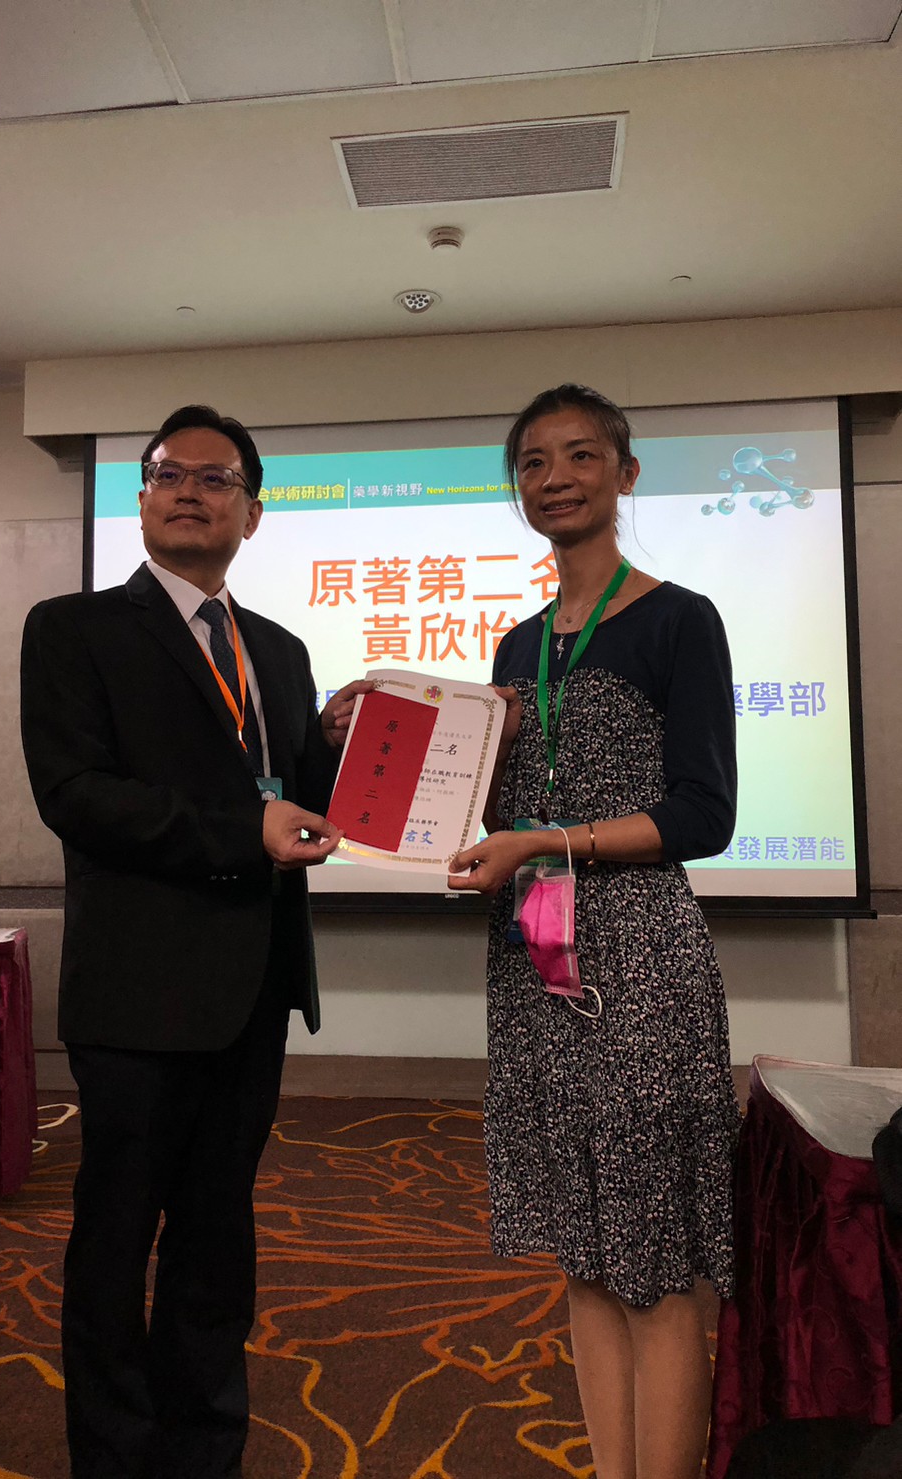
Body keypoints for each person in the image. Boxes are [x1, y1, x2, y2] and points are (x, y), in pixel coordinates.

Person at [20, 404, 368, 1479]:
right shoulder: (72, 628)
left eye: (215, 479)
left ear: (250, 514)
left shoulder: (280, 651)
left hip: (252, 988)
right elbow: (75, 794)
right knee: (115, 1236)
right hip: (136, 993)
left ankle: (203, 1445)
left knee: (218, 1235)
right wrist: (238, 831)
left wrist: (341, 745)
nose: (187, 490)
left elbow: (298, 804)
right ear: (140, 500)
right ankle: (114, 1453)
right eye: (167, 472)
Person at [448, 384, 740, 1479]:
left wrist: (544, 841)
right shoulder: (515, 647)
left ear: (624, 473)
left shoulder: (678, 619)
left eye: (578, 455)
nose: (554, 477)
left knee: (651, 1259)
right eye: (531, 462)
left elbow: (702, 815)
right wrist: (385, 731)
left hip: (638, 959)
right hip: (533, 954)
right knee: (582, 1248)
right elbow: (497, 810)